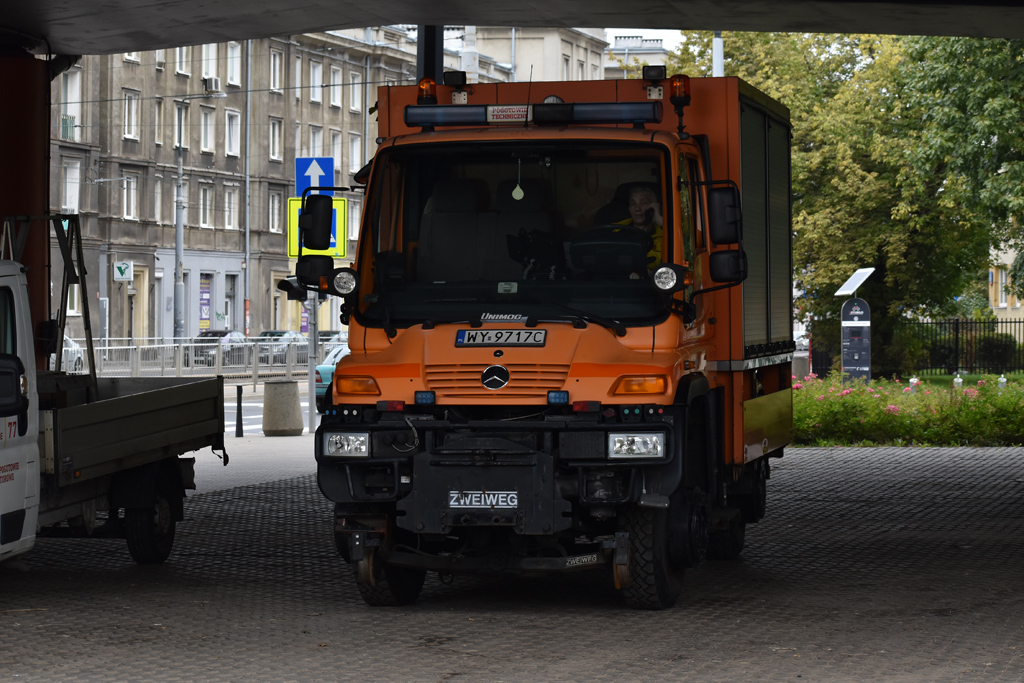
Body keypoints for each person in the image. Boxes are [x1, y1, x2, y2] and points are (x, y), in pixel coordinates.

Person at [618, 184, 663, 267]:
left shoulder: (665, 234)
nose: (637, 209)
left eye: (643, 203)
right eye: (632, 204)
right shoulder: (616, 230)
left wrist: (659, 220)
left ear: (655, 206)